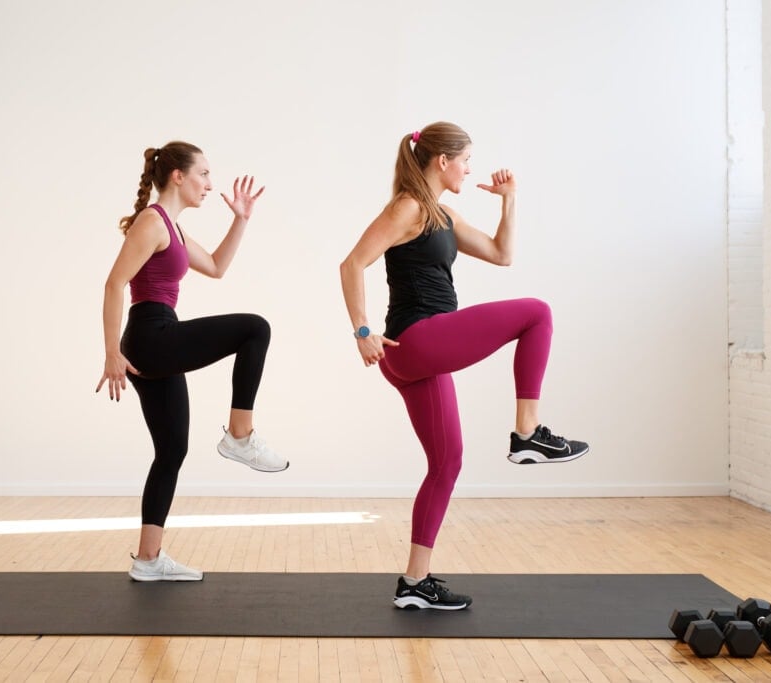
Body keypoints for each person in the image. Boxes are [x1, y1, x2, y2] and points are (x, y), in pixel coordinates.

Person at [339, 122, 588, 610]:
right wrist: (362, 330)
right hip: (415, 340)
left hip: (419, 356)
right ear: (442, 161)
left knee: (447, 462)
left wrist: (509, 200)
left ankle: (415, 582)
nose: (471, 168)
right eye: (466, 160)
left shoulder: (442, 214)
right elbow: (351, 264)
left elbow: (502, 254)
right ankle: (527, 432)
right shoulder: (407, 207)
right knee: (537, 312)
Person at [97, 141, 288, 582]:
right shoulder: (152, 222)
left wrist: (240, 220)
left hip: (157, 338)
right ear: (178, 176)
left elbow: (218, 267)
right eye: (203, 173)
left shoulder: (175, 230)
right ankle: (240, 436)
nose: (210, 183)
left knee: (171, 451)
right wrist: (112, 353)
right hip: (150, 335)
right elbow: (113, 284)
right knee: (254, 328)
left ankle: (147, 561)